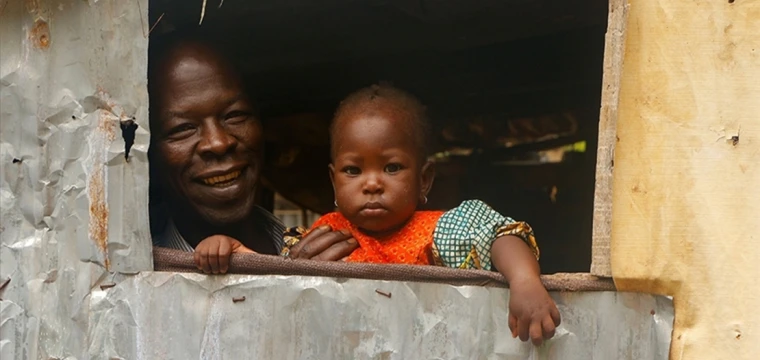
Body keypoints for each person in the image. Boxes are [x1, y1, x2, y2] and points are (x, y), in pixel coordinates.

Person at [282, 84, 560, 346]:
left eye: (391, 168)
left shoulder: (439, 231)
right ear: (333, 181)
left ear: (424, 179)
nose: (371, 184)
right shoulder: (323, 237)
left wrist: (524, 280)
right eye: (353, 170)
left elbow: (500, 235)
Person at [149, 38, 359, 272]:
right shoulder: (130, 281)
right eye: (182, 129)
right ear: (148, 151)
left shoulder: (328, 253)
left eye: (234, 115)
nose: (219, 143)